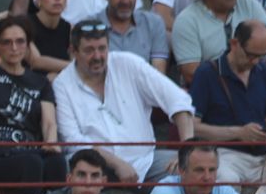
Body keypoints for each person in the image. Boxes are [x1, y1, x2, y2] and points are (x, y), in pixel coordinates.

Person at [53, 19, 195, 184]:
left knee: (194, 169)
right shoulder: (62, 84)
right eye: (89, 50)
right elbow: (73, 141)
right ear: (73, 52)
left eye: (102, 48)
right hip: (94, 166)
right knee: (67, 167)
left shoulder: (128, 63)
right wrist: (116, 163)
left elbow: (178, 99)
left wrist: (186, 150)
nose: (97, 56)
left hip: (146, 161)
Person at [0, 14, 67, 194]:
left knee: (57, 162)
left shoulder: (40, 82)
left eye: (20, 41)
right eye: (6, 42)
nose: (14, 48)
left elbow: (49, 121)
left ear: (28, 45)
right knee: (32, 163)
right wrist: (0, 16)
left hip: (29, 150)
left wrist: (51, 141)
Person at [189, 21, 266, 186]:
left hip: (262, 156)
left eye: (261, 56)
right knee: (226, 178)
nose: (255, 61)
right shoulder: (207, 73)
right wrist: (239, 133)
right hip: (224, 154)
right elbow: (192, 126)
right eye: (251, 55)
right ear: (234, 44)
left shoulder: (262, 71)